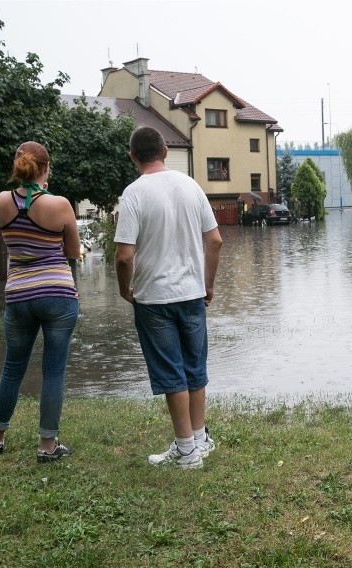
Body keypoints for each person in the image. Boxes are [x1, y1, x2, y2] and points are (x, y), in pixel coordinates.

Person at [115, 127, 223, 470]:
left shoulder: (133, 194)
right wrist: (208, 284)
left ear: (133, 157)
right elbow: (216, 241)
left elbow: (123, 256)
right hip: (192, 293)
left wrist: (123, 288)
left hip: (154, 298)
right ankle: (200, 438)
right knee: (194, 368)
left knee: (171, 372)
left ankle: (187, 451)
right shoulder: (191, 185)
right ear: (164, 149)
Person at [0, 141, 81, 464]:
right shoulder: (61, 206)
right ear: (45, 168)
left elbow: (16, 243)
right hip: (57, 294)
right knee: (53, 371)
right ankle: (47, 445)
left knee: (12, 367)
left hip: (19, 295)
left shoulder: (0, 203)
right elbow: (72, 252)